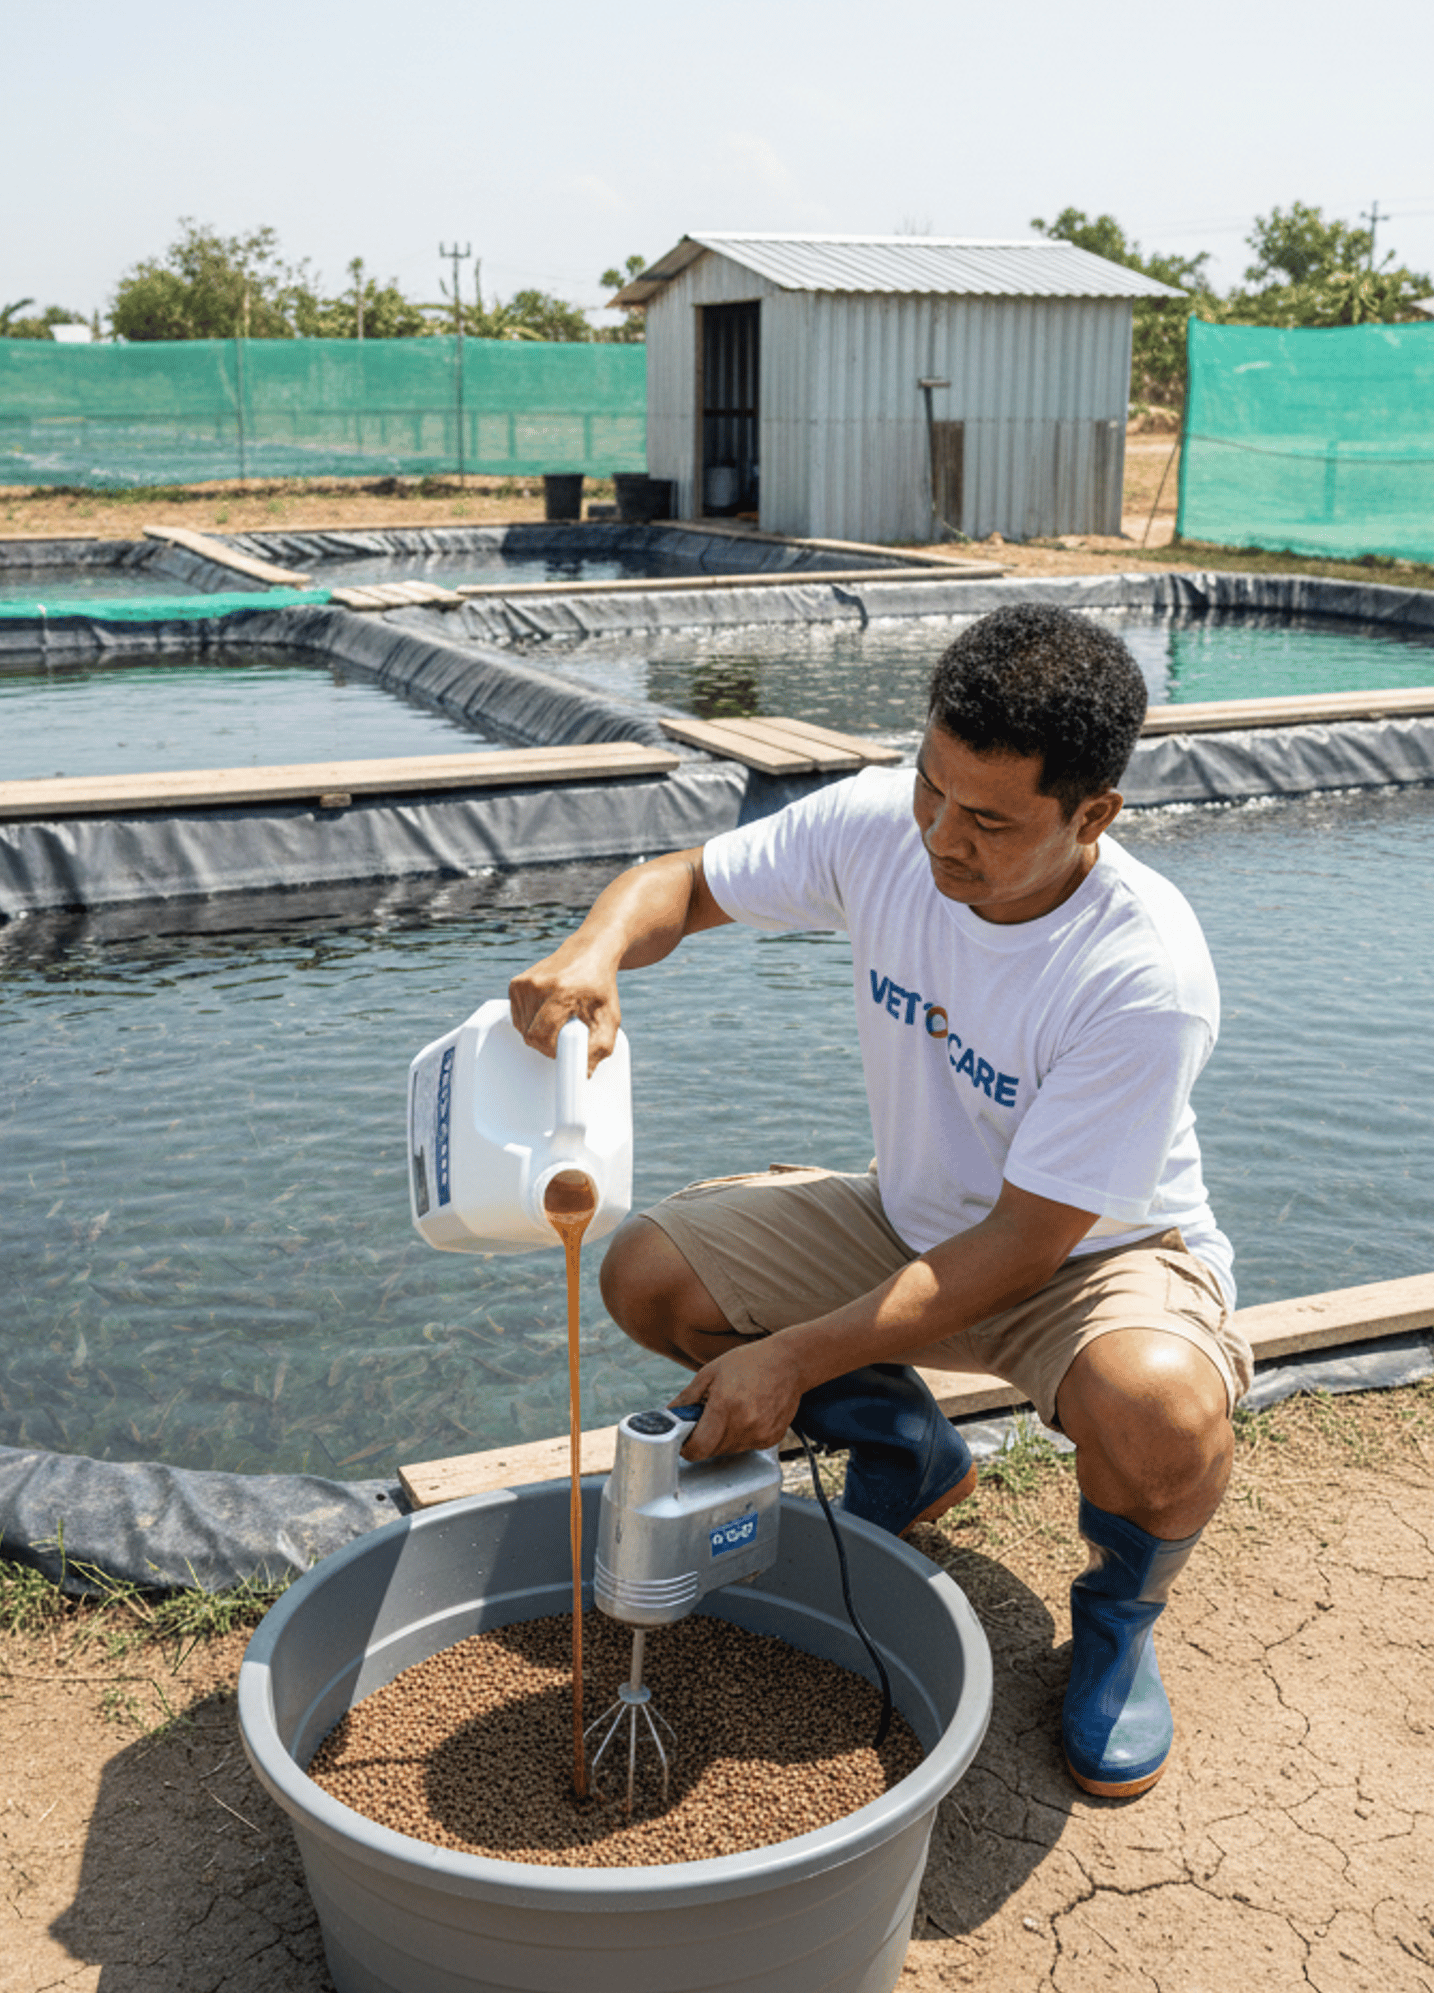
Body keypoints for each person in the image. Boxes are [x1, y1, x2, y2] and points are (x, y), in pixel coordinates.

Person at [508, 604, 1250, 1799]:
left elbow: (1021, 1243)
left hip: (1094, 1258)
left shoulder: (1142, 973)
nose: (942, 838)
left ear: (1093, 815)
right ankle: (909, 1449)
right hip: (911, 1218)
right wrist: (595, 948)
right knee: (648, 1273)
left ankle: (1119, 1617)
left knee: (1158, 1413)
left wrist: (794, 1356)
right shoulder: (883, 826)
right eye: (931, 788)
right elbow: (684, 883)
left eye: (991, 819)